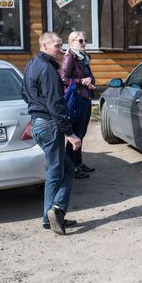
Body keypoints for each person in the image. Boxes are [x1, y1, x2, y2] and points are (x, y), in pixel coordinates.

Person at [22, 32, 82, 235]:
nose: (60, 49)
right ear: (45, 45)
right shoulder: (47, 69)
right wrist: (71, 134)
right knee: (57, 172)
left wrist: (36, 112)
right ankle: (55, 211)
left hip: (39, 123)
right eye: (57, 45)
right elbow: (56, 104)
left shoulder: (32, 64)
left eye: (61, 45)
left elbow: (25, 93)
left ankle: (51, 217)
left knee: (64, 167)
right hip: (48, 124)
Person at [60, 31, 97, 179]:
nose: (83, 43)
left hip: (85, 97)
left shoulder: (82, 58)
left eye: (85, 40)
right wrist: (81, 82)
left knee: (81, 133)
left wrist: (90, 81)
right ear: (71, 42)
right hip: (76, 100)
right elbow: (63, 78)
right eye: (80, 41)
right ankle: (71, 167)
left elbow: (89, 75)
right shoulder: (70, 57)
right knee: (75, 134)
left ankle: (79, 163)